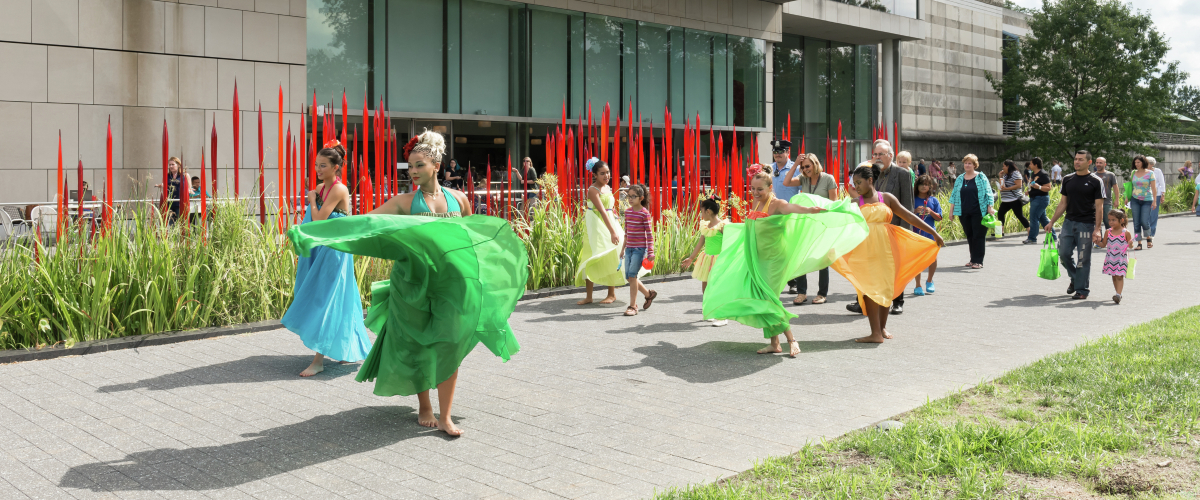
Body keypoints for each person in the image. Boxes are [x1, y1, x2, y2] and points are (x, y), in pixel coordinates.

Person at [287, 130, 526, 437]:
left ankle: (446, 415)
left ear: (436, 166)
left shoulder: (461, 200)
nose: (412, 171)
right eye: (410, 166)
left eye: (419, 166)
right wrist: (317, 233)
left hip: (453, 285)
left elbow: (474, 237)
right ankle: (425, 406)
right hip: (412, 284)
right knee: (417, 344)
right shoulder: (403, 202)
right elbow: (366, 224)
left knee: (450, 343)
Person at [703, 165, 861, 358]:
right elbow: (752, 227)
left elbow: (793, 208)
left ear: (770, 188)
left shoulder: (777, 204)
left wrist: (811, 210)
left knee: (769, 298)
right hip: (758, 257)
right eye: (752, 188)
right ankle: (774, 343)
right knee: (762, 297)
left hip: (775, 259)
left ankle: (791, 340)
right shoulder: (757, 203)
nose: (755, 192)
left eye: (760, 189)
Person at [281, 141, 374, 377]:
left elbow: (320, 219)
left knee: (328, 297)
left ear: (336, 167)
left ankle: (319, 359)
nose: (318, 170)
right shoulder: (323, 188)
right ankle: (346, 350)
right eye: (316, 165)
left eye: (323, 165)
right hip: (321, 247)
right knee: (339, 296)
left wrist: (311, 199)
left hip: (334, 250)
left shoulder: (338, 189)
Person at [832, 162, 944, 343]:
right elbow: (836, 218)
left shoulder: (887, 198)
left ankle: (881, 329)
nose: (856, 187)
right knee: (868, 288)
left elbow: (909, 216)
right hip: (865, 250)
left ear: (870, 180)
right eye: (854, 183)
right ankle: (875, 333)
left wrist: (933, 232)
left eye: (859, 182)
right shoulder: (854, 202)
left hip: (887, 248)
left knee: (886, 287)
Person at [846, 139, 913, 315]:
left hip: (893, 230)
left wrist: (905, 232)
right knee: (869, 267)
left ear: (890, 156)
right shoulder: (870, 174)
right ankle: (864, 301)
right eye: (875, 154)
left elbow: (907, 206)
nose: (877, 157)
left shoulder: (902, 174)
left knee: (894, 268)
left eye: (881, 154)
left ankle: (897, 300)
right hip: (869, 233)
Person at [1048, 150, 1105, 300]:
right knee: (1063, 254)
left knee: (1083, 258)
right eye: (1076, 159)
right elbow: (1062, 203)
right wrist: (1052, 221)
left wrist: (1098, 229)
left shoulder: (1095, 181)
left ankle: (1082, 289)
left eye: (1080, 159)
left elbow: (1099, 207)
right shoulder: (1067, 179)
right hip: (1068, 223)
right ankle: (1075, 278)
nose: (1077, 162)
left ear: (1089, 162)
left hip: (1086, 224)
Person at [783, 153, 837, 305]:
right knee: (801, 257)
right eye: (803, 167)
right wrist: (794, 165)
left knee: (823, 259)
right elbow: (786, 182)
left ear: (815, 163)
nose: (805, 169)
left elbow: (834, 203)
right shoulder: (803, 178)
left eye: (808, 166)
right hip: (806, 222)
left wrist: (824, 216)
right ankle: (802, 293)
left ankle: (822, 294)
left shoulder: (828, 178)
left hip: (822, 223)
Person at [575, 158, 624, 305]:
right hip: (595, 227)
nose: (606, 176)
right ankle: (589, 296)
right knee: (590, 257)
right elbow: (602, 211)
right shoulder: (592, 190)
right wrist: (612, 232)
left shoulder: (607, 188)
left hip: (610, 224)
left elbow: (609, 209)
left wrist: (616, 223)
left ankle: (611, 294)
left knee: (611, 256)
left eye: (608, 172)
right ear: (595, 174)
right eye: (602, 173)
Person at [681, 196, 729, 326]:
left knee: (718, 287)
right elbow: (700, 243)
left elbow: (728, 243)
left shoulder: (722, 226)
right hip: (707, 259)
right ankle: (712, 311)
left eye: (702, 211)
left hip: (718, 259)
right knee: (706, 286)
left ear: (708, 211)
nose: (701, 214)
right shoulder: (705, 226)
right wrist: (691, 258)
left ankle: (722, 316)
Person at [945, 154, 995, 269]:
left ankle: (978, 261)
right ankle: (973, 260)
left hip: (979, 211)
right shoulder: (960, 178)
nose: (967, 165)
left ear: (974, 165)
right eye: (966, 163)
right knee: (970, 235)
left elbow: (989, 193)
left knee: (979, 235)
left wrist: (990, 206)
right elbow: (953, 196)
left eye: (970, 163)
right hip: (964, 212)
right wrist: (951, 211)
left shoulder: (981, 177)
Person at [768, 139, 802, 294]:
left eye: (781, 151)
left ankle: (793, 282)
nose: (777, 154)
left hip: (790, 214)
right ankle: (776, 280)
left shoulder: (797, 169)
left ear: (788, 152)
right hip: (773, 214)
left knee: (791, 249)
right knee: (776, 249)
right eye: (775, 152)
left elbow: (804, 190)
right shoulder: (768, 169)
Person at [620, 184, 657, 316]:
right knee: (630, 278)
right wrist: (623, 249)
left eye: (633, 196)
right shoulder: (628, 212)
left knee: (632, 275)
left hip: (639, 249)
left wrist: (651, 251)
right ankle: (648, 294)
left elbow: (649, 234)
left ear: (641, 198)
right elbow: (626, 233)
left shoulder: (644, 213)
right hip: (629, 248)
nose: (630, 199)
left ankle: (633, 306)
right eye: (628, 196)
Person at [911, 175, 942, 296]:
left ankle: (929, 280)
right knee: (916, 260)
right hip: (915, 233)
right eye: (921, 184)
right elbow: (905, 214)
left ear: (930, 186)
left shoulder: (933, 200)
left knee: (932, 258)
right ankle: (917, 285)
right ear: (917, 186)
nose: (924, 186)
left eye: (926, 184)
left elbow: (939, 217)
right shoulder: (912, 199)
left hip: (930, 234)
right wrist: (915, 211)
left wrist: (931, 212)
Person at [1101, 209, 1132, 304]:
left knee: (1119, 276)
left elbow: (1130, 246)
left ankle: (1118, 294)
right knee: (1114, 276)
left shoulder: (1125, 232)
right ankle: (1118, 293)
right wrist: (1096, 241)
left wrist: (1130, 244)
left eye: (1113, 220)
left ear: (1121, 220)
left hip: (1121, 258)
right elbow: (1103, 244)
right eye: (1109, 220)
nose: (1110, 222)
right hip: (1111, 258)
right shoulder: (1108, 232)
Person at [1128, 155, 1157, 250]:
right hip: (1135, 199)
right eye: (1135, 163)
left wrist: (1155, 201)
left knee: (1144, 221)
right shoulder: (1133, 173)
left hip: (1147, 200)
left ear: (1143, 163)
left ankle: (1148, 238)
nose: (1136, 164)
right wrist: (1126, 197)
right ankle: (1139, 243)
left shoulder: (1150, 173)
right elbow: (1130, 186)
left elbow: (1153, 188)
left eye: (1138, 162)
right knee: (1136, 222)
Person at [1023, 157, 1054, 244]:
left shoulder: (1043, 174)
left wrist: (1039, 187)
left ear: (1036, 165)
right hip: (1035, 198)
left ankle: (1032, 238)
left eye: (1031, 164)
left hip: (1040, 198)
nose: (1029, 165)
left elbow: (1048, 187)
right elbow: (1033, 185)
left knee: (1033, 218)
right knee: (1043, 219)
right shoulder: (1033, 173)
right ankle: (1053, 236)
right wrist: (1029, 191)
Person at [996, 159, 1029, 232]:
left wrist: (1007, 189)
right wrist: (1000, 176)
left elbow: (1019, 185)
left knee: (1020, 216)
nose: (1003, 168)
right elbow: (1002, 185)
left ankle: (1030, 231)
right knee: (1000, 214)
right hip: (1005, 200)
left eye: (1004, 166)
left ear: (1008, 166)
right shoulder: (1006, 175)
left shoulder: (1015, 173)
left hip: (1014, 199)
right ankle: (1000, 232)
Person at [154, 157, 186, 223]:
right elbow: (163, 188)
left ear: (178, 165)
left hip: (180, 203)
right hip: (169, 203)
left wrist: (190, 190)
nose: (170, 166)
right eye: (169, 165)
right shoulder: (166, 176)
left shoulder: (184, 175)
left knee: (182, 223)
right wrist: (161, 186)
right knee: (171, 224)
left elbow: (188, 188)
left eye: (172, 164)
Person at [1094, 157, 1119, 229]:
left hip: (1107, 203)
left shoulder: (1110, 175)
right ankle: (1099, 239)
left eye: (1100, 163)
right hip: (1095, 203)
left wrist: (1117, 199)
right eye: (1097, 162)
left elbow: (1115, 187)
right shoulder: (1092, 175)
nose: (1098, 164)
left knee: (1109, 223)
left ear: (1105, 164)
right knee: (1096, 224)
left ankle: (1110, 239)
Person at [1148, 156, 1165, 240]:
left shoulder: (1158, 171)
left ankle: (1152, 232)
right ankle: (1146, 231)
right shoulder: (1142, 171)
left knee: (1153, 214)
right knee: (1146, 213)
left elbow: (1162, 183)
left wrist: (1163, 195)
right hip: (1145, 195)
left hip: (1156, 194)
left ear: (1151, 164)